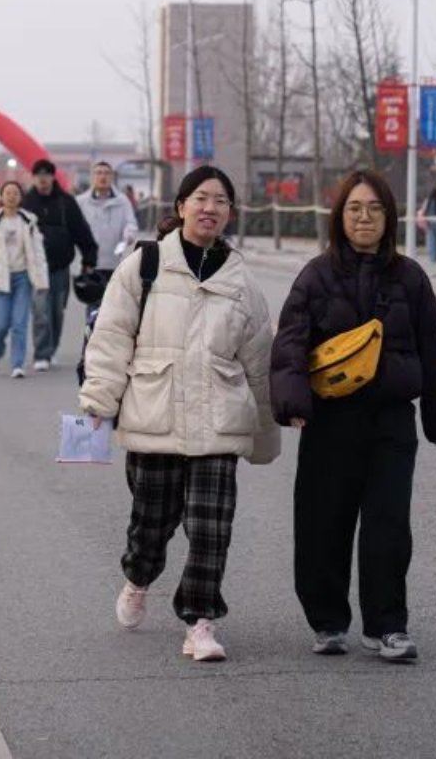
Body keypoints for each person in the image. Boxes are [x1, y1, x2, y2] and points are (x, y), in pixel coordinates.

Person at [78, 165, 280, 664]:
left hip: (218, 422)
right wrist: (99, 399)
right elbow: (111, 336)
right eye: (201, 198)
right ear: (181, 206)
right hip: (155, 415)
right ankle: (138, 577)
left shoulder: (240, 281)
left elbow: (259, 359)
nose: (210, 208)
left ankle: (200, 621)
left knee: (212, 528)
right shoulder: (144, 266)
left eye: (221, 201)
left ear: (230, 213)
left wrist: (266, 430)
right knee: (151, 525)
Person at [271, 169, 436, 664]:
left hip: (391, 422)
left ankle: (387, 626)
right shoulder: (316, 276)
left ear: (389, 217)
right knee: (323, 522)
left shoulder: (410, 278)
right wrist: (292, 403)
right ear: (340, 216)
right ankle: (328, 621)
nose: (364, 217)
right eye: (354, 208)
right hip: (331, 420)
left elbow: (433, 348)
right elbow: (290, 343)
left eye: (375, 208)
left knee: (388, 525)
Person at [21, 159, 98, 372]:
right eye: (39, 176)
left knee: (57, 311)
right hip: (36, 269)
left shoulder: (66, 202)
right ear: (34, 178)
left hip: (60, 267)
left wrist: (89, 259)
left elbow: (81, 231)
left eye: (46, 176)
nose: (43, 180)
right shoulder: (26, 203)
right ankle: (41, 353)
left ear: (52, 178)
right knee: (41, 311)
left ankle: (52, 348)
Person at [0, 180, 48, 378]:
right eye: (8, 193)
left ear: (20, 197)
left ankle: (17, 364)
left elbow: (38, 252)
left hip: (23, 277)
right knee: (0, 324)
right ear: (1, 196)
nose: (11, 196)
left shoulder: (29, 221)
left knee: (19, 323)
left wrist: (42, 281)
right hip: (0, 278)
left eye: (15, 193)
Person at [77, 160, 139, 273]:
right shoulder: (81, 202)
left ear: (112, 177)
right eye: (99, 173)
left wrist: (128, 235)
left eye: (106, 173)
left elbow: (131, 224)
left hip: (114, 262)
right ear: (92, 177)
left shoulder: (122, 201)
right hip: (88, 263)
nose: (103, 177)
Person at [419, 186, 436, 264]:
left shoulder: (429, 200)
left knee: (431, 239)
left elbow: (425, 210)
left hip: (430, 220)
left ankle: (432, 256)